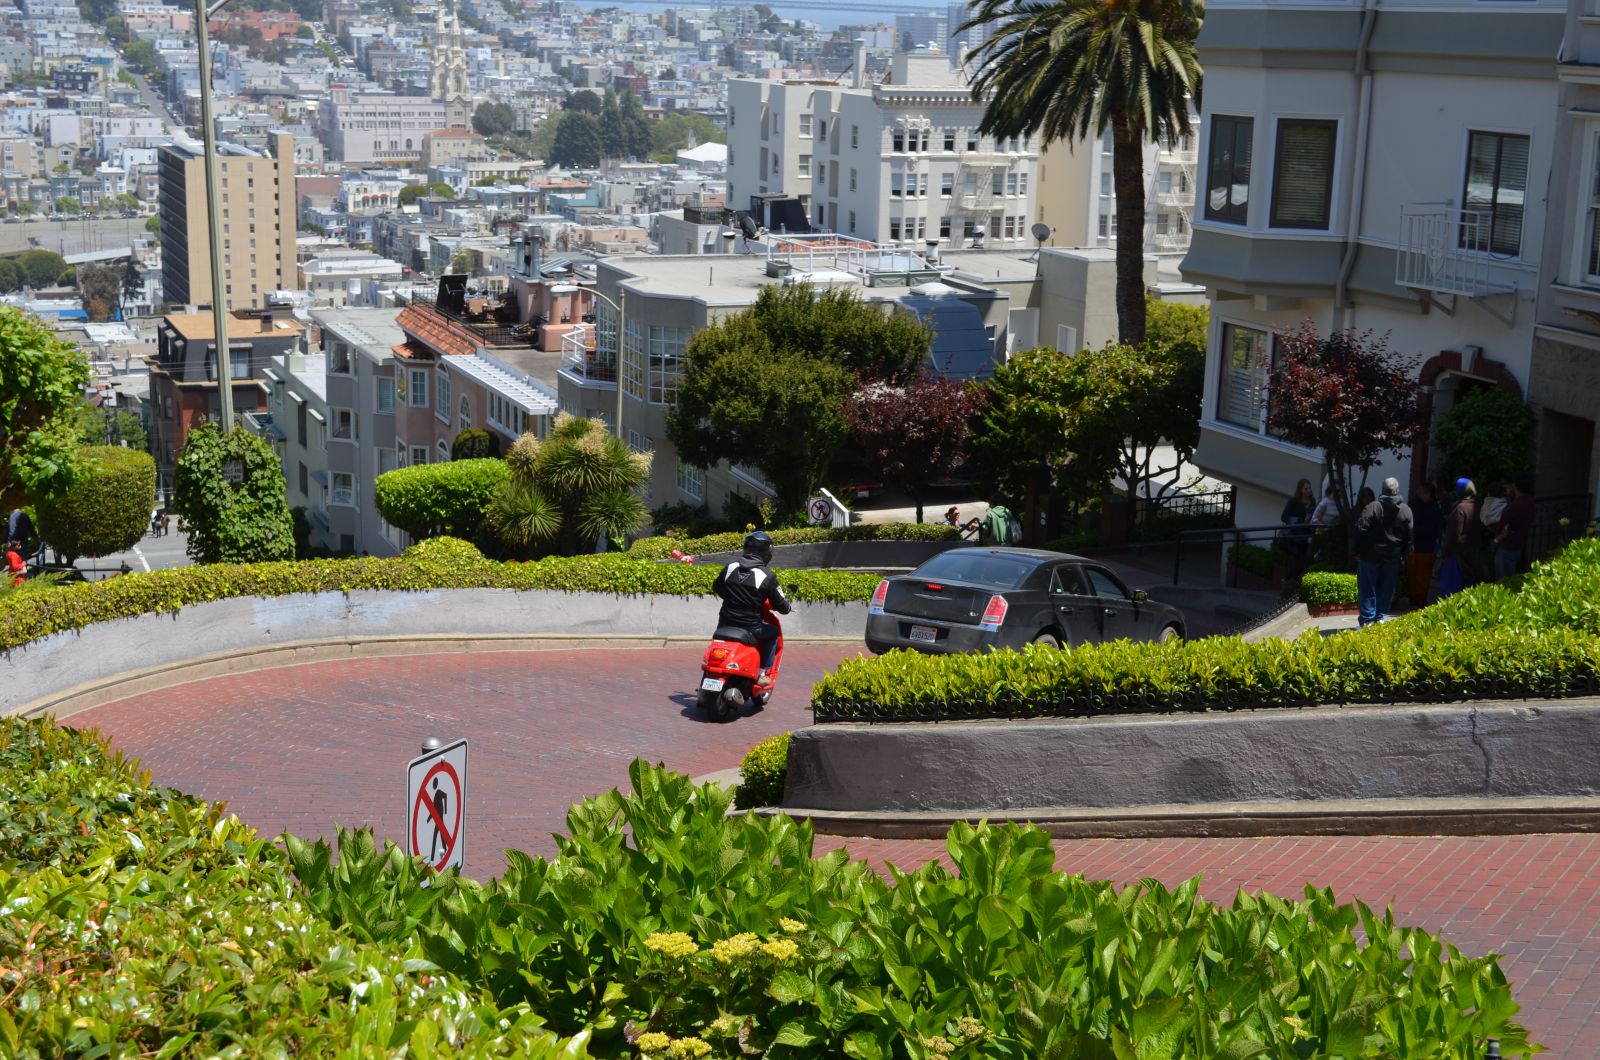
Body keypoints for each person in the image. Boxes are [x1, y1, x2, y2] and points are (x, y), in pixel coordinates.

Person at [711, 530, 792, 686]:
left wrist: (733, 598)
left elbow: (718, 588)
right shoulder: (767, 575)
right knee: (773, 632)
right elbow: (782, 606)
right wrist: (788, 607)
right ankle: (762, 672)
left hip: (724, 624)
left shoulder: (730, 567)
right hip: (751, 628)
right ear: (766, 553)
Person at [1354, 477, 1413, 627]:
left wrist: (1355, 550)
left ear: (1382, 490)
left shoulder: (1373, 507)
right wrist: (1405, 555)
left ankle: (1367, 621)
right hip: (1392, 557)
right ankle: (1378, 618)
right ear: (1397, 491)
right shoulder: (1406, 510)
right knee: (1385, 590)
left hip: (1370, 556)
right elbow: (1409, 537)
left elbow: (1360, 529)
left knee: (1368, 589)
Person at [1437, 478, 1480, 598]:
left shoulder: (1460, 509)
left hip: (1456, 556)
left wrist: (1444, 553)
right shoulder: (1476, 506)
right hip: (1471, 552)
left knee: (1451, 589)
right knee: (1466, 589)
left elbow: (1453, 535)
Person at [1491, 472, 1536, 580]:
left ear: (1515, 486)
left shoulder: (1513, 507)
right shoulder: (1530, 503)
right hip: (1519, 544)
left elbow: (1499, 525)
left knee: (1503, 580)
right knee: (1513, 577)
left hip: (1506, 546)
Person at [1407, 481, 1442, 605]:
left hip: (1426, 547)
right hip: (1415, 546)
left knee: (1423, 577)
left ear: (1428, 494)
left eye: (1422, 493)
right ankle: (1414, 598)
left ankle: (1420, 599)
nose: (1419, 494)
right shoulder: (1415, 504)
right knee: (1413, 576)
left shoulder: (1434, 507)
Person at [1279, 479, 1315, 570]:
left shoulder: (1312, 501)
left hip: (1304, 534)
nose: (1308, 490)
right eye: (1306, 488)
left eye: (1309, 488)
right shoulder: (1294, 501)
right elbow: (1284, 517)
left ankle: (1295, 580)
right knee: (1295, 559)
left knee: (1303, 559)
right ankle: (1289, 580)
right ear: (1301, 490)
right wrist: (1297, 521)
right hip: (1293, 534)